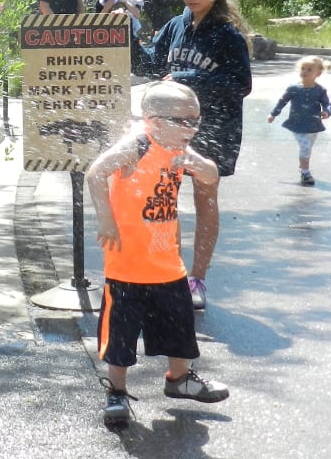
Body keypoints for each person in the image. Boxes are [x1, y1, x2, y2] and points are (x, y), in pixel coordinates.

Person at [86, 81, 230, 429]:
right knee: (120, 335)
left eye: (195, 121)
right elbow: (95, 172)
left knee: (179, 326)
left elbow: (211, 176)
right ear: (152, 121)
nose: (191, 129)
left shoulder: (179, 148)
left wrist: (195, 161)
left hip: (167, 263)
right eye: (183, 122)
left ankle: (178, 378)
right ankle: (117, 392)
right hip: (127, 265)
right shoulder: (136, 146)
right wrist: (106, 217)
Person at [130, 0, 251, 309]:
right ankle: (168, 272)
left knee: (204, 198)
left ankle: (197, 278)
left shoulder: (227, 34)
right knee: (163, 199)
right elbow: (149, 64)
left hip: (215, 128)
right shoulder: (175, 26)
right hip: (170, 129)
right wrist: (130, 34)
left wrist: (186, 78)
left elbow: (241, 83)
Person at [267, 55, 331, 186]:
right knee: (305, 147)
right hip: (297, 124)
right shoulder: (294, 88)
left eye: (309, 70)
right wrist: (273, 114)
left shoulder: (320, 90)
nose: (305, 72)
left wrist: (326, 112)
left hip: (314, 125)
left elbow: (327, 103)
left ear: (318, 73)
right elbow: (282, 101)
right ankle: (305, 172)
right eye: (303, 68)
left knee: (307, 149)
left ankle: (303, 165)